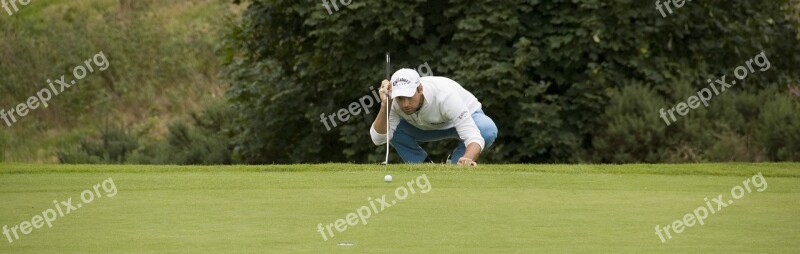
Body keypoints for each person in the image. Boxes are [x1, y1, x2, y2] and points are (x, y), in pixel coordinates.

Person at [370, 68, 498, 166]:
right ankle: (423, 167)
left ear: (420, 88)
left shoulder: (445, 96)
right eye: (400, 99)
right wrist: (384, 106)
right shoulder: (392, 100)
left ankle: (456, 163)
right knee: (391, 130)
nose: (405, 104)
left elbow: (473, 136)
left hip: (463, 119)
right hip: (424, 126)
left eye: (409, 97)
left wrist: (468, 158)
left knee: (486, 130)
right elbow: (378, 139)